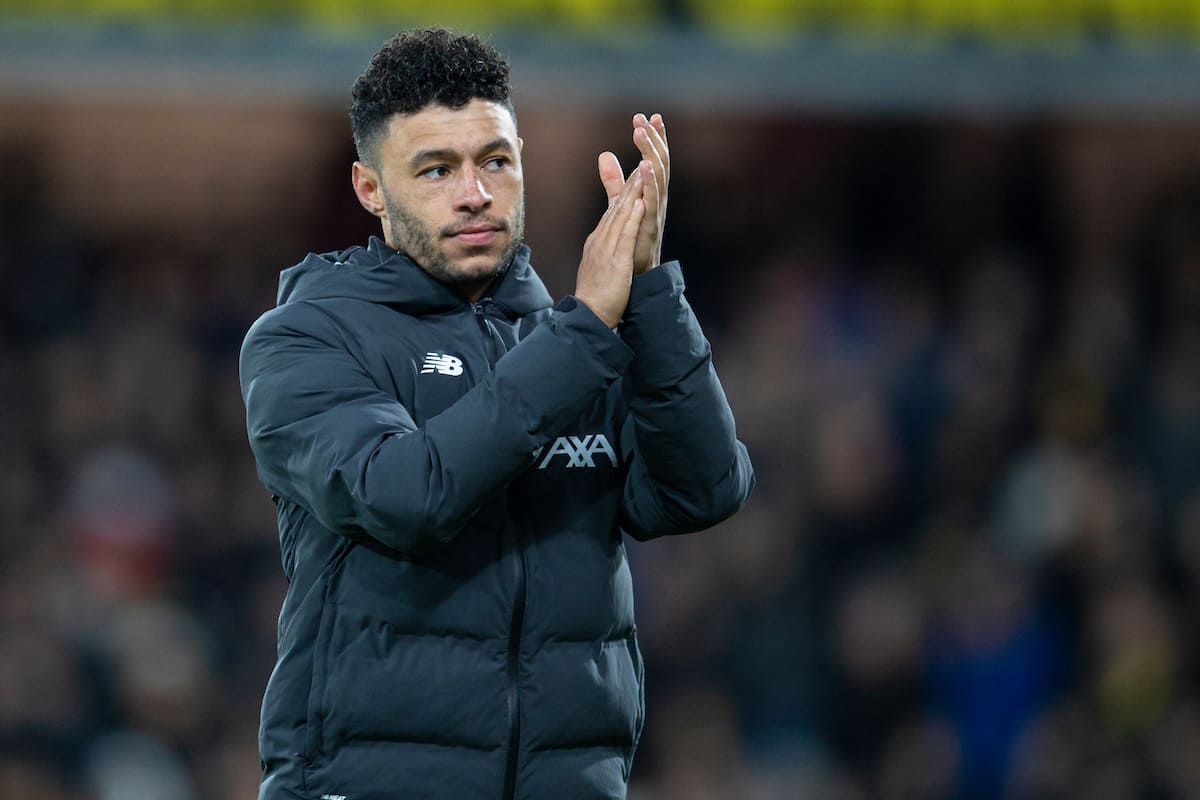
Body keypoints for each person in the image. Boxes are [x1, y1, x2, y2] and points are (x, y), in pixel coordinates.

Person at [239, 27, 754, 800]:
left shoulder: (575, 336)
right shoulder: (306, 338)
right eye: (436, 169)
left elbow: (701, 490)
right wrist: (586, 330)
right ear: (369, 188)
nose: (474, 194)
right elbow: (407, 495)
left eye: (495, 162)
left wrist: (648, 292)